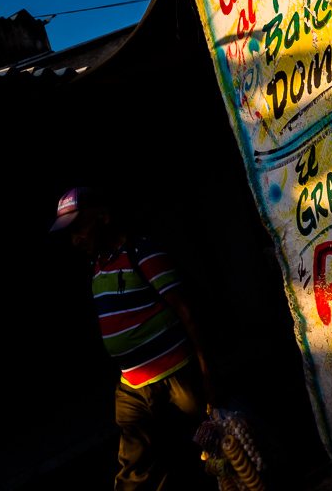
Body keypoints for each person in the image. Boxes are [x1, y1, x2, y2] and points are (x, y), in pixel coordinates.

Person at [50, 187, 218, 491]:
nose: (75, 240)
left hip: (176, 377)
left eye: (79, 229)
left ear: (103, 216)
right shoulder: (96, 266)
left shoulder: (142, 254)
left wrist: (207, 374)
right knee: (135, 468)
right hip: (132, 386)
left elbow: (188, 313)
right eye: (70, 234)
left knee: (217, 441)